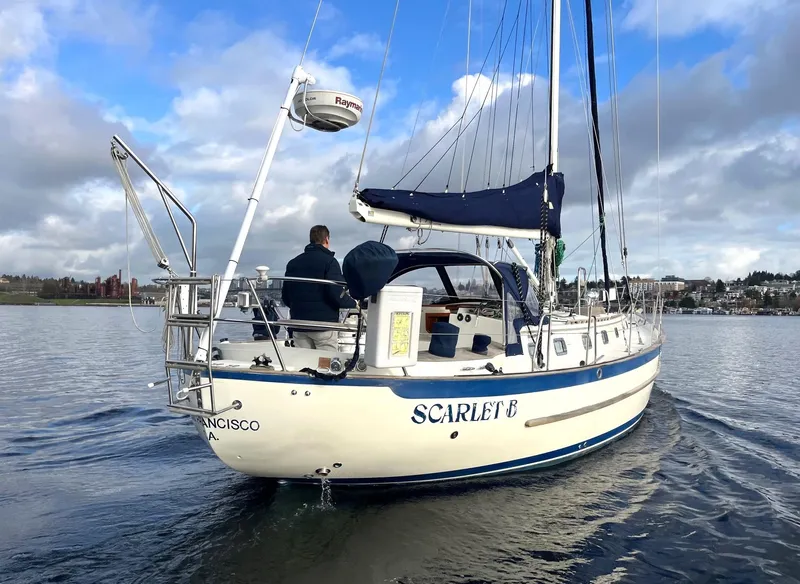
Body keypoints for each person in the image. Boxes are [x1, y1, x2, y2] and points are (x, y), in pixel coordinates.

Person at [281, 225, 356, 351]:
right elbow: (336, 294)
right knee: (326, 361)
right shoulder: (330, 262)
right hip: (323, 325)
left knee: (303, 360)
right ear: (326, 239)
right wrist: (353, 303)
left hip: (299, 324)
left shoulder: (293, 263)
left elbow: (286, 296)